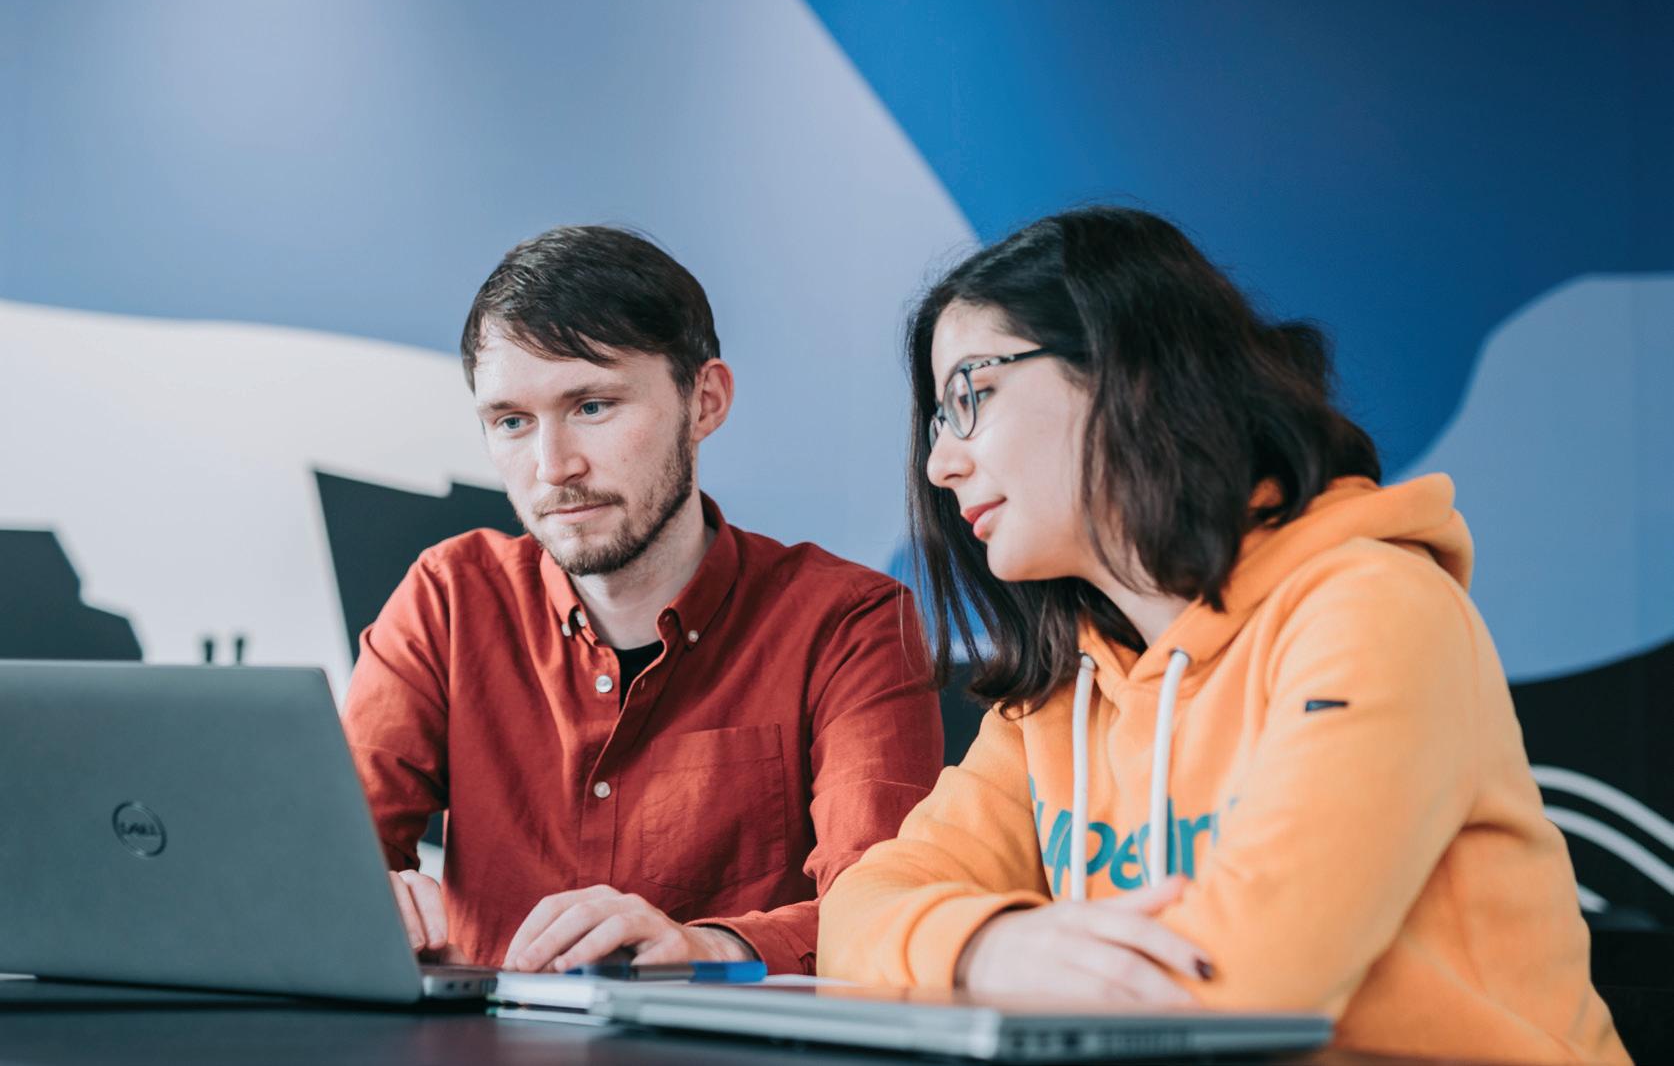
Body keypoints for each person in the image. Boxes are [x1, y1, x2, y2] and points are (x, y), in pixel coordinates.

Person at [818, 207, 1628, 1065]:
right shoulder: (1062, 690)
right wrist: (988, 946)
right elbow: (854, 915)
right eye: (937, 422)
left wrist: (966, 952)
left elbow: (1243, 984)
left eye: (970, 396)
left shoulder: (1374, 608)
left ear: (1125, 364)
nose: (940, 464)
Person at [343, 225, 942, 975]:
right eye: (511, 422)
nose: (553, 467)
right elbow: (326, 856)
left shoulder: (849, 624)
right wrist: (353, 898)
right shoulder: (450, 598)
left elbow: (883, 911)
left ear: (705, 401)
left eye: (592, 406)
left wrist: (709, 947)